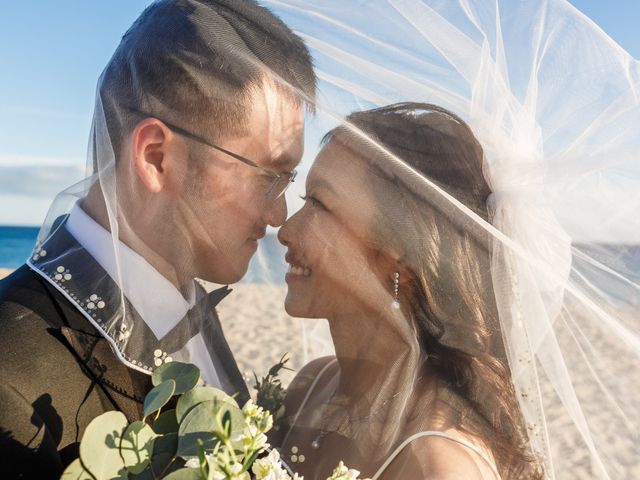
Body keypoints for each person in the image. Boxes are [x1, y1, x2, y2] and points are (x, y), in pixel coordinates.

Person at [0, 0, 315, 477]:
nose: (278, 215)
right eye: (267, 176)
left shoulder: (192, 304)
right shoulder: (9, 381)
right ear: (156, 158)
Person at [276, 103, 542, 479]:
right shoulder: (309, 387)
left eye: (319, 203)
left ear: (399, 249)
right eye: (305, 200)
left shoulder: (440, 465)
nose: (285, 231)